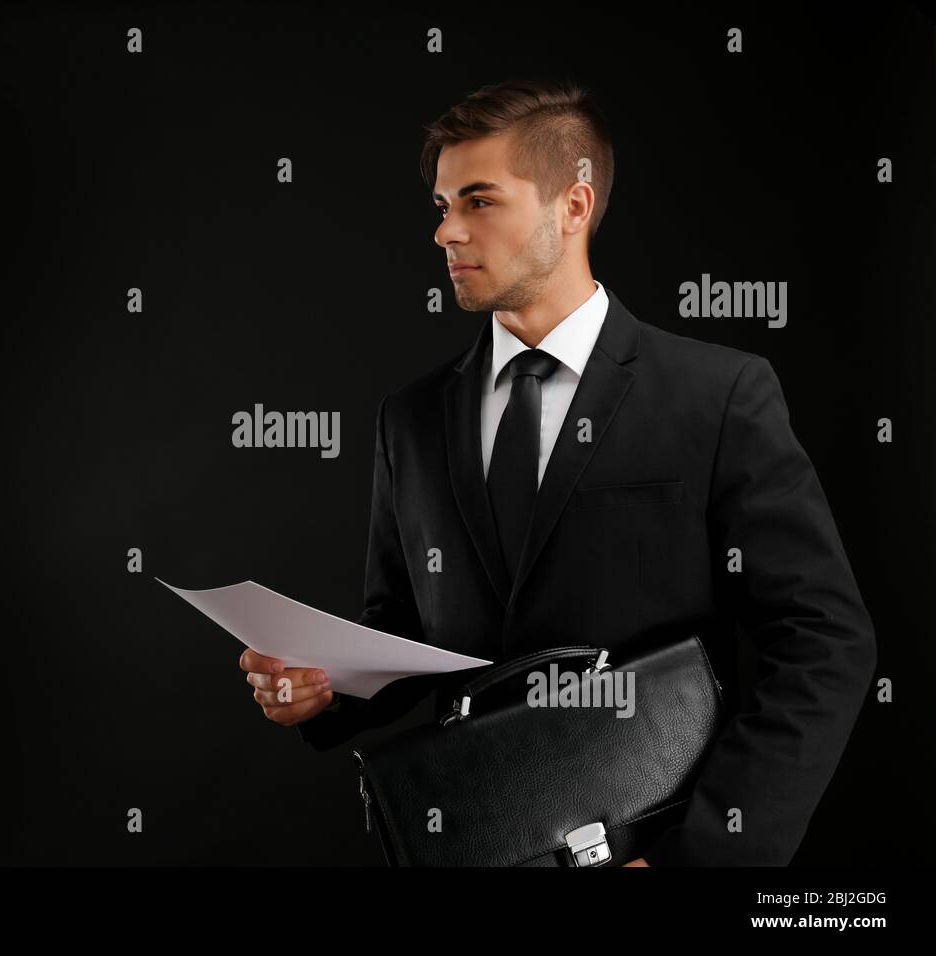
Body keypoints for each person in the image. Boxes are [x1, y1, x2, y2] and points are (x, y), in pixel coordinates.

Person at [239, 78, 875, 866]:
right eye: (442, 206)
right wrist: (325, 688)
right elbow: (409, 633)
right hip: (472, 840)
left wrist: (706, 856)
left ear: (572, 207)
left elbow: (824, 641)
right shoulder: (410, 419)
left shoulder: (718, 395)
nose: (446, 232)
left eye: (478, 201)